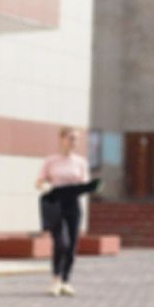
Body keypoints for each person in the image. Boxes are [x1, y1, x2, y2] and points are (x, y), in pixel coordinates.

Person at [35, 127, 99, 296]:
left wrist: (91, 186)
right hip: (56, 203)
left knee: (71, 244)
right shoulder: (51, 161)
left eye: (76, 139)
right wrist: (44, 186)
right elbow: (39, 182)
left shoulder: (81, 162)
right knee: (61, 242)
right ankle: (55, 279)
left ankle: (65, 281)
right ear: (62, 139)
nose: (74, 142)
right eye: (71, 138)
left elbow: (85, 182)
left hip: (73, 203)